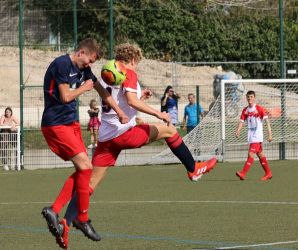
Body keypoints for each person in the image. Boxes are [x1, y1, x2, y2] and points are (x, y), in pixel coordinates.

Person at [57, 43, 217, 248]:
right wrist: (158, 113)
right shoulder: (128, 72)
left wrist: (142, 97)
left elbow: (123, 101)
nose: (137, 67)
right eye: (137, 63)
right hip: (124, 134)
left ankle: (66, 224)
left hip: (106, 139)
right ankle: (193, 169)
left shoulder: (107, 71)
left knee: (87, 186)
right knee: (169, 130)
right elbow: (131, 101)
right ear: (132, 60)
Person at [40, 38, 128, 249]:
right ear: (81, 52)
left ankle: (58, 212)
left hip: (71, 124)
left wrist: (120, 112)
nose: (89, 65)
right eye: (89, 60)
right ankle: (81, 218)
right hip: (55, 124)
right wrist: (84, 88)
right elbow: (65, 97)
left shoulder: (84, 70)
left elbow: (102, 91)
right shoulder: (61, 64)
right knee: (86, 167)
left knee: (83, 171)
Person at [235, 90, 273, 181]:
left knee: (251, 153)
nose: (249, 98)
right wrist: (238, 131)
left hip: (257, 136)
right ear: (246, 98)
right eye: (248, 97)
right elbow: (241, 121)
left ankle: (243, 173)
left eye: (251, 97)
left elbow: (267, 121)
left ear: (254, 98)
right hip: (251, 136)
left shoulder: (259, 109)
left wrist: (270, 134)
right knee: (260, 155)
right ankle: (268, 173)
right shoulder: (245, 110)